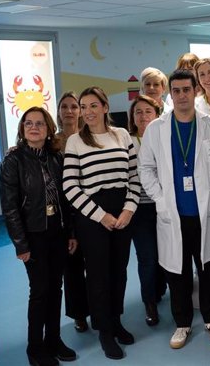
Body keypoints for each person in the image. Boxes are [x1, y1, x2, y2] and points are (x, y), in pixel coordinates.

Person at [137, 69, 210, 349]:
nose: (181, 95)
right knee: (177, 272)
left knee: (208, 268)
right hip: (172, 213)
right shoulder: (156, 128)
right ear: (170, 93)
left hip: (205, 212)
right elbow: (146, 168)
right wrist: (161, 200)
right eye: (175, 91)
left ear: (196, 91)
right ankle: (183, 324)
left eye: (186, 90)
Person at [62, 86, 141, 360]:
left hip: (123, 213)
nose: (87, 112)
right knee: (97, 276)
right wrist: (101, 215)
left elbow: (134, 177)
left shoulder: (122, 136)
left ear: (105, 107)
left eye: (93, 105)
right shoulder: (75, 141)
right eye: (83, 107)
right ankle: (104, 331)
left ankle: (116, 321)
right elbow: (70, 186)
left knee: (119, 271)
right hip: (92, 216)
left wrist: (129, 210)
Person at [0, 107, 77, 366]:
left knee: (56, 288)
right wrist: (20, 244)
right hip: (33, 236)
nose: (34, 127)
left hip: (57, 231)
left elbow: (66, 200)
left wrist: (71, 233)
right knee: (40, 290)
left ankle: (53, 340)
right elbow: (9, 207)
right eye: (29, 123)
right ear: (22, 129)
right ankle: (35, 348)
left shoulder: (56, 157)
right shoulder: (13, 161)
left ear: (48, 129)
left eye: (40, 124)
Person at [127, 95, 166, 327]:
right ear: (132, 117)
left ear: (156, 114)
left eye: (147, 111)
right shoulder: (126, 140)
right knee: (147, 257)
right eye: (138, 112)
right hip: (139, 208)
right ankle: (149, 302)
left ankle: (160, 289)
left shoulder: (164, 137)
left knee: (166, 254)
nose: (143, 116)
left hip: (164, 205)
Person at [56, 92, 90, 334]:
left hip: (89, 208)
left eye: (74, 107)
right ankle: (79, 314)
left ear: (80, 111)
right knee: (73, 266)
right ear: (58, 112)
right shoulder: (51, 142)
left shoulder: (87, 138)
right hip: (64, 213)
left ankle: (101, 307)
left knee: (97, 264)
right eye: (64, 107)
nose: (69, 111)